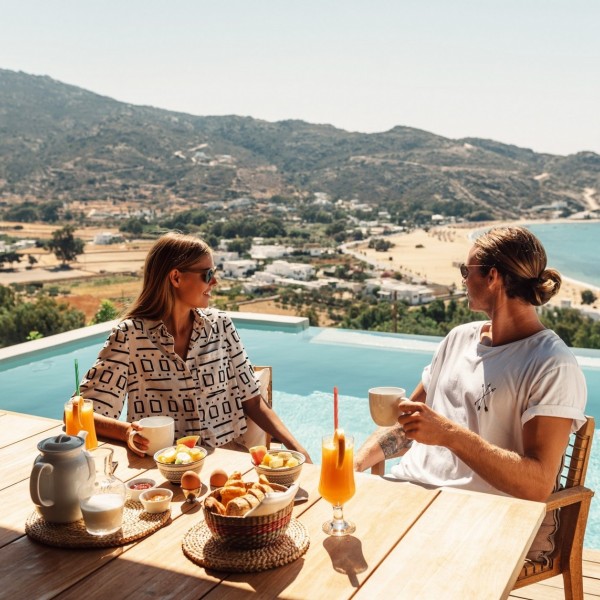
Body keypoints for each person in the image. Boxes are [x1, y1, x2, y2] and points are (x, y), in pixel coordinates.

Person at [354, 226, 586, 562]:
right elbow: (410, 423)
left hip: (477, 518)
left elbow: (537, 485)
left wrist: (449, 435)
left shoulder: (551, 364)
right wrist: (355, 463)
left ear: (492, 277)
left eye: (466, 271)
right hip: (410, 498)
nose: (463, 280)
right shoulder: (458, 339)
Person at [78, 232, 311, 462]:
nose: (214, 282)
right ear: (176, 278)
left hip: (228, 462)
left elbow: (253, 400)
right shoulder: (130, 336)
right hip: (164, 467)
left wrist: (297, 449)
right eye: (208, 274)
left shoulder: (221, 326)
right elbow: (81, 413)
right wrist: (127, 432)